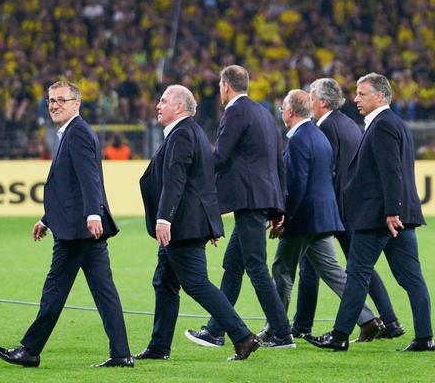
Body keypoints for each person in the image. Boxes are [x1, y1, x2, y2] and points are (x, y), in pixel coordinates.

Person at [0, 81, 133, 368]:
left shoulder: (77, 133)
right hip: (78, 226)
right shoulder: (71, 132)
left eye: (60, 100)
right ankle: (121, 354)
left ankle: (30, 349)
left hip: (78, 230)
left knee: (54, 290)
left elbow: (88, 178)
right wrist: (46, 219)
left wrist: (93, 213)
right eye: (50, 101)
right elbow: (67, 186)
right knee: (105, 293)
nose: (54, 105)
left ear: (76, 104)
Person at [305, 73, 434, 352]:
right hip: (398, 216)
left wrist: (390, 212)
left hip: (380, 217)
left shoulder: (383, 125)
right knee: (411, 277)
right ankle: (425, 337)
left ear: (380, 96)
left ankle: (339, 336)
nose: (356, 99)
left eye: (362, 94)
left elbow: (391, 172)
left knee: (357, 274)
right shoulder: (393, 123)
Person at [136, 84, 260, 362]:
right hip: (189, 223)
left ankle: (242, 336)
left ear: (179, 107)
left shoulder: (182, 134)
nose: (158, 105)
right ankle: (159, 346)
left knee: (195, 283)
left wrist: (164, 217)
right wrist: (211, 224)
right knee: (164, 282)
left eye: (163, 100)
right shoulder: (192, 132)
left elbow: (176, 180)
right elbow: (204, 183)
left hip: (181, 225)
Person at [184, 65, 294, 349]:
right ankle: (216, 330)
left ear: (224, 86)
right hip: (260, 199)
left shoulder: (234, 112)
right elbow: (278, 162)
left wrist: (194, 161)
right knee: (233, 266)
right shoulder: (265, 114)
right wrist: (278, 206)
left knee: (256, 266)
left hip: (248, 200)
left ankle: (282, 333)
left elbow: (220, 157)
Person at [292, 78, 404, 341]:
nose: (308, 100)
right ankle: (389, 320)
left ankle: (302, 325)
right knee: (360, 267)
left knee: (316, 265)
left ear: (321, 101)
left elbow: (327, 172)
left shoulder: (326, 128)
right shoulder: (349, 124)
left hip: (336, 209)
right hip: (352, 208)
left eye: (311, 95)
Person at [270, 89, 382, 339]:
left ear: (290, 112)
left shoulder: (298, 139)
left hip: (304, 219)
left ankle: (278, 332)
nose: (282, 114)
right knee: (333, 271)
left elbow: (297, 185)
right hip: (323, 218)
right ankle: (368, 318)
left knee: (281, 269)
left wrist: (284, 217)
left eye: (282, 109)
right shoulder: (318, 135)